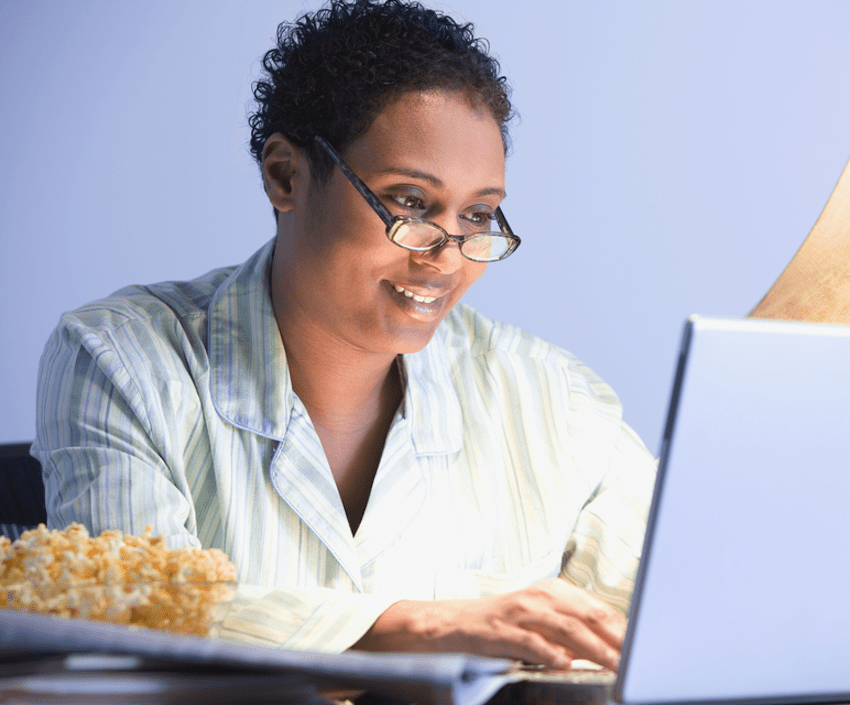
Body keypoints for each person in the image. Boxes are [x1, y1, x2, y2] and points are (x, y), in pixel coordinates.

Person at [32, 0, 656, 671]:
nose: (446, 255)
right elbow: (133, 613)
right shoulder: (122, 359)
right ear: (286, 175)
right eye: (410, 203)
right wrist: (419, 628)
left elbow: (663, 613)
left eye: (477, 214)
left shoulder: (555, 399)